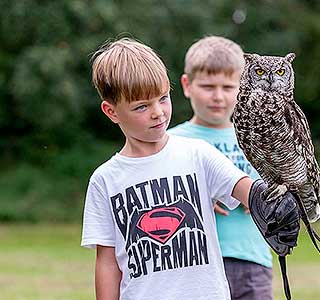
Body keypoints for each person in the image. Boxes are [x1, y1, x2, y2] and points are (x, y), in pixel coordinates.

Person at [80, 37, 299, 300]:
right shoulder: (105, 180)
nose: (157, 113)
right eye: (141, 106)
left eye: (162, 98)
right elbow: (106, 261)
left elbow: (247, 190)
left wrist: (278, 199)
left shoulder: (197, 153)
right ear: (111, 112)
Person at [169, 36, 273, 300]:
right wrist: (194, 196)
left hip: (252, 259)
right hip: (191, 264)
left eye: (228, 87)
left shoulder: (260, 138)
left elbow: (282, 190)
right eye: (207, 86)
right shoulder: (169, 142)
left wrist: (259, 195)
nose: (218, 96)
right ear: (187, 85)